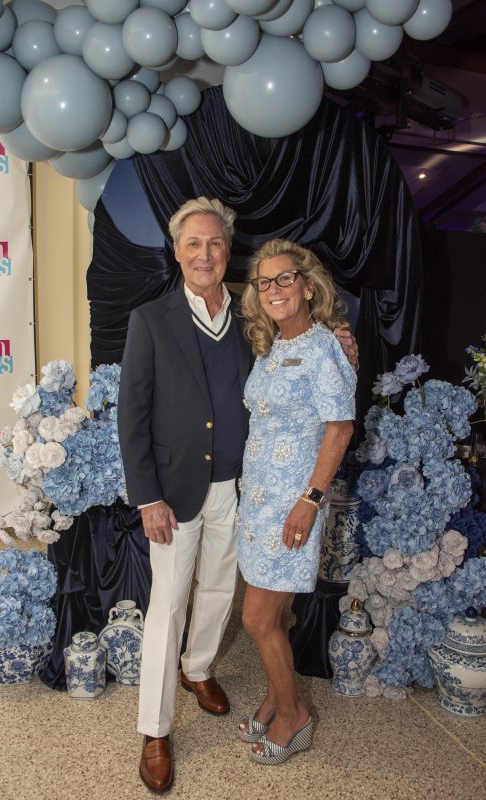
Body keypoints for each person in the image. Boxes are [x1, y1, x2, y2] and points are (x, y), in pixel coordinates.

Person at [118, 199, 358, 792]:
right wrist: (147, 496)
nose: (205, 254)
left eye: (216, 244)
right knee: (168, 605)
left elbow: (308, 371)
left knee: (223, 591)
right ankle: (154, 728)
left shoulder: (253, 322)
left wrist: (340, 334)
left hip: (242, 490)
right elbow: (132, 415)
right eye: (193, 243)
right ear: (176, 251)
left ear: (229, 251)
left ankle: (199, 670)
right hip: (174, 493)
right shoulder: (151, 319)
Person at [236, 239, 356, 765]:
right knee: (275, 614)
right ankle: (275, 696)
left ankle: (294, 717)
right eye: (265, 282)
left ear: (308, 286)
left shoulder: (324, 345)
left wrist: (309, 500)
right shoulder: (272, 347)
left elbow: (340, 427)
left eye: (286, 278)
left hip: (293, 506)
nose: (275, 289)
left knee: (257, 618)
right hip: (258, 504)